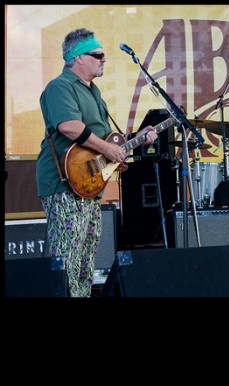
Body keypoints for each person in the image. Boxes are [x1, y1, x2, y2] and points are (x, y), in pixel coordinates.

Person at [36, 28, 158, 297]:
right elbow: (69, 126)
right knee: (67, 254)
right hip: (63, 183)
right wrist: (110, 150)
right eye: (98, 54)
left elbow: (105, 139)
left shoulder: (95, 92)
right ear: (78, 57)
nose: (104, 59)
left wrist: (134, 139)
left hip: (88, 184)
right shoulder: (61, 86)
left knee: (86, 252)